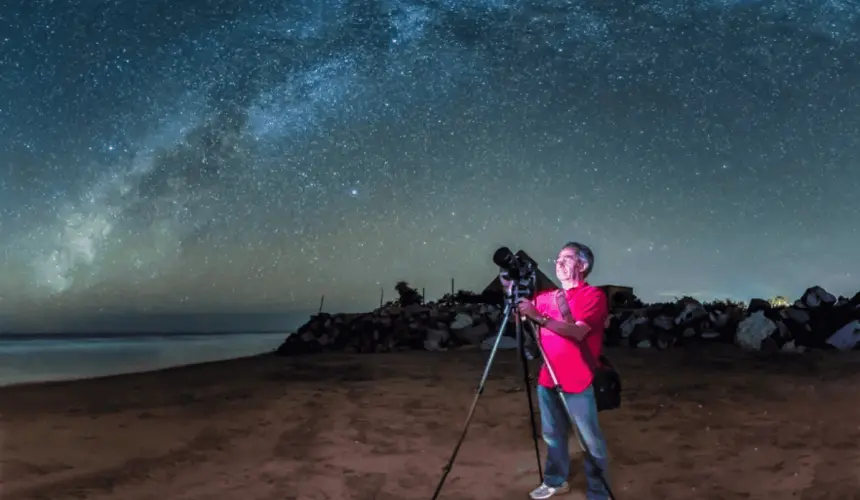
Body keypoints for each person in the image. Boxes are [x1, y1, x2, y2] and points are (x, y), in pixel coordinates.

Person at [501, 241, 611, 500]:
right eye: (557, 258)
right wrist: (511, 290)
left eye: (567, 258)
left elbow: (577, 332)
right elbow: (519, 317)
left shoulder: (593, 296)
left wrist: (538, 317)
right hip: (548, 378)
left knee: (590, 441)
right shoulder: (547, 296)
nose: (558, 262)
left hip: (579, 380)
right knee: (552, 435)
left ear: (582, 265)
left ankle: (598, 491)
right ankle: (555, 480)